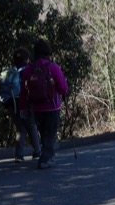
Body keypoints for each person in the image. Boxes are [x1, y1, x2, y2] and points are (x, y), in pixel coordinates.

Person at [19, 39, 68, 169]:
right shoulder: (53, 67)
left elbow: (23, 91)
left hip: (36, 107)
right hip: (52, 106)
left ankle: (47, 156)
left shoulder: (29, 70)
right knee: (50, 133)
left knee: (43, 132)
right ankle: (46, 159)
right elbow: (63, 88)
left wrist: (22, 108)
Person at [4, 48, 41, 163]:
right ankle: (37, 152)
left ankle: (19, 155)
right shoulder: (29, 70)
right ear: (26, 59)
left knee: (21, 128)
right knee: (31, 126)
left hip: (12, 104)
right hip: (26, 103)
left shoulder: (10, 72)